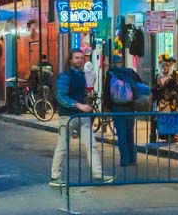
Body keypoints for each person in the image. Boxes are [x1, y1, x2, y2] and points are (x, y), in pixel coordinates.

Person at [50, 49, 109, 186]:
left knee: (91, 145)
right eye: (77, 58)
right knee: (62, 147)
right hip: (68, 116)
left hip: (82, 116)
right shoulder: (66, 76)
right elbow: (61, 96)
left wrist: (85, 103)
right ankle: (55, 176)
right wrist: (78, 105)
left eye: (82, 58)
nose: (80, 60)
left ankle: (97, 174)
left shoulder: (82, 75)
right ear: (70, 60)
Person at [105, 61, 150, 167]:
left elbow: (107, 94)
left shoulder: (111, 74)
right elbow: (140, 86)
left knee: (121, 134)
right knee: (129, 133)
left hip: (118, 108)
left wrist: (110, 108)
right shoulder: (130, 73)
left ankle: (124, 160)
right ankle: (132, 158)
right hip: (130, 107)